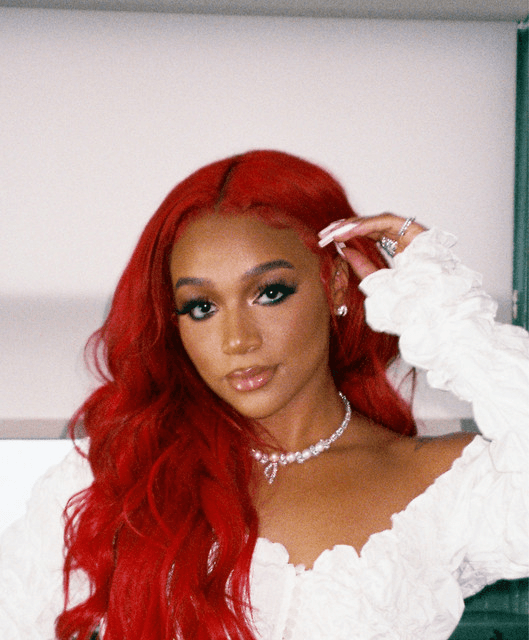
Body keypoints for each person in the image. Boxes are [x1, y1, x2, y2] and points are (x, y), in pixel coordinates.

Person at [0, 149, 528, 640]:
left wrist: (447, 316)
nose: (237, 340)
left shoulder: (441, 484)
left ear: (335, 285)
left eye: (269, 293)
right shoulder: (115, 478)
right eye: (201, 307)